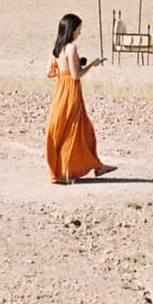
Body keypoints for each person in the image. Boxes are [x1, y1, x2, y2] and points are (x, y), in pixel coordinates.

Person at [44, 12, 110, 183]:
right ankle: (79, 168)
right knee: (77, 130)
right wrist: (91, 66)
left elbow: (49, 73)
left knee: (65, 129)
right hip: (71, 92)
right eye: (78, 30)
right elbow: (76, 75)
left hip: (60, 91)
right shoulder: (71, 48)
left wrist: (63, 69)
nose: (79, 33)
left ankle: (86, 167)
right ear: (71, 30)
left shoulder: (56, 48)